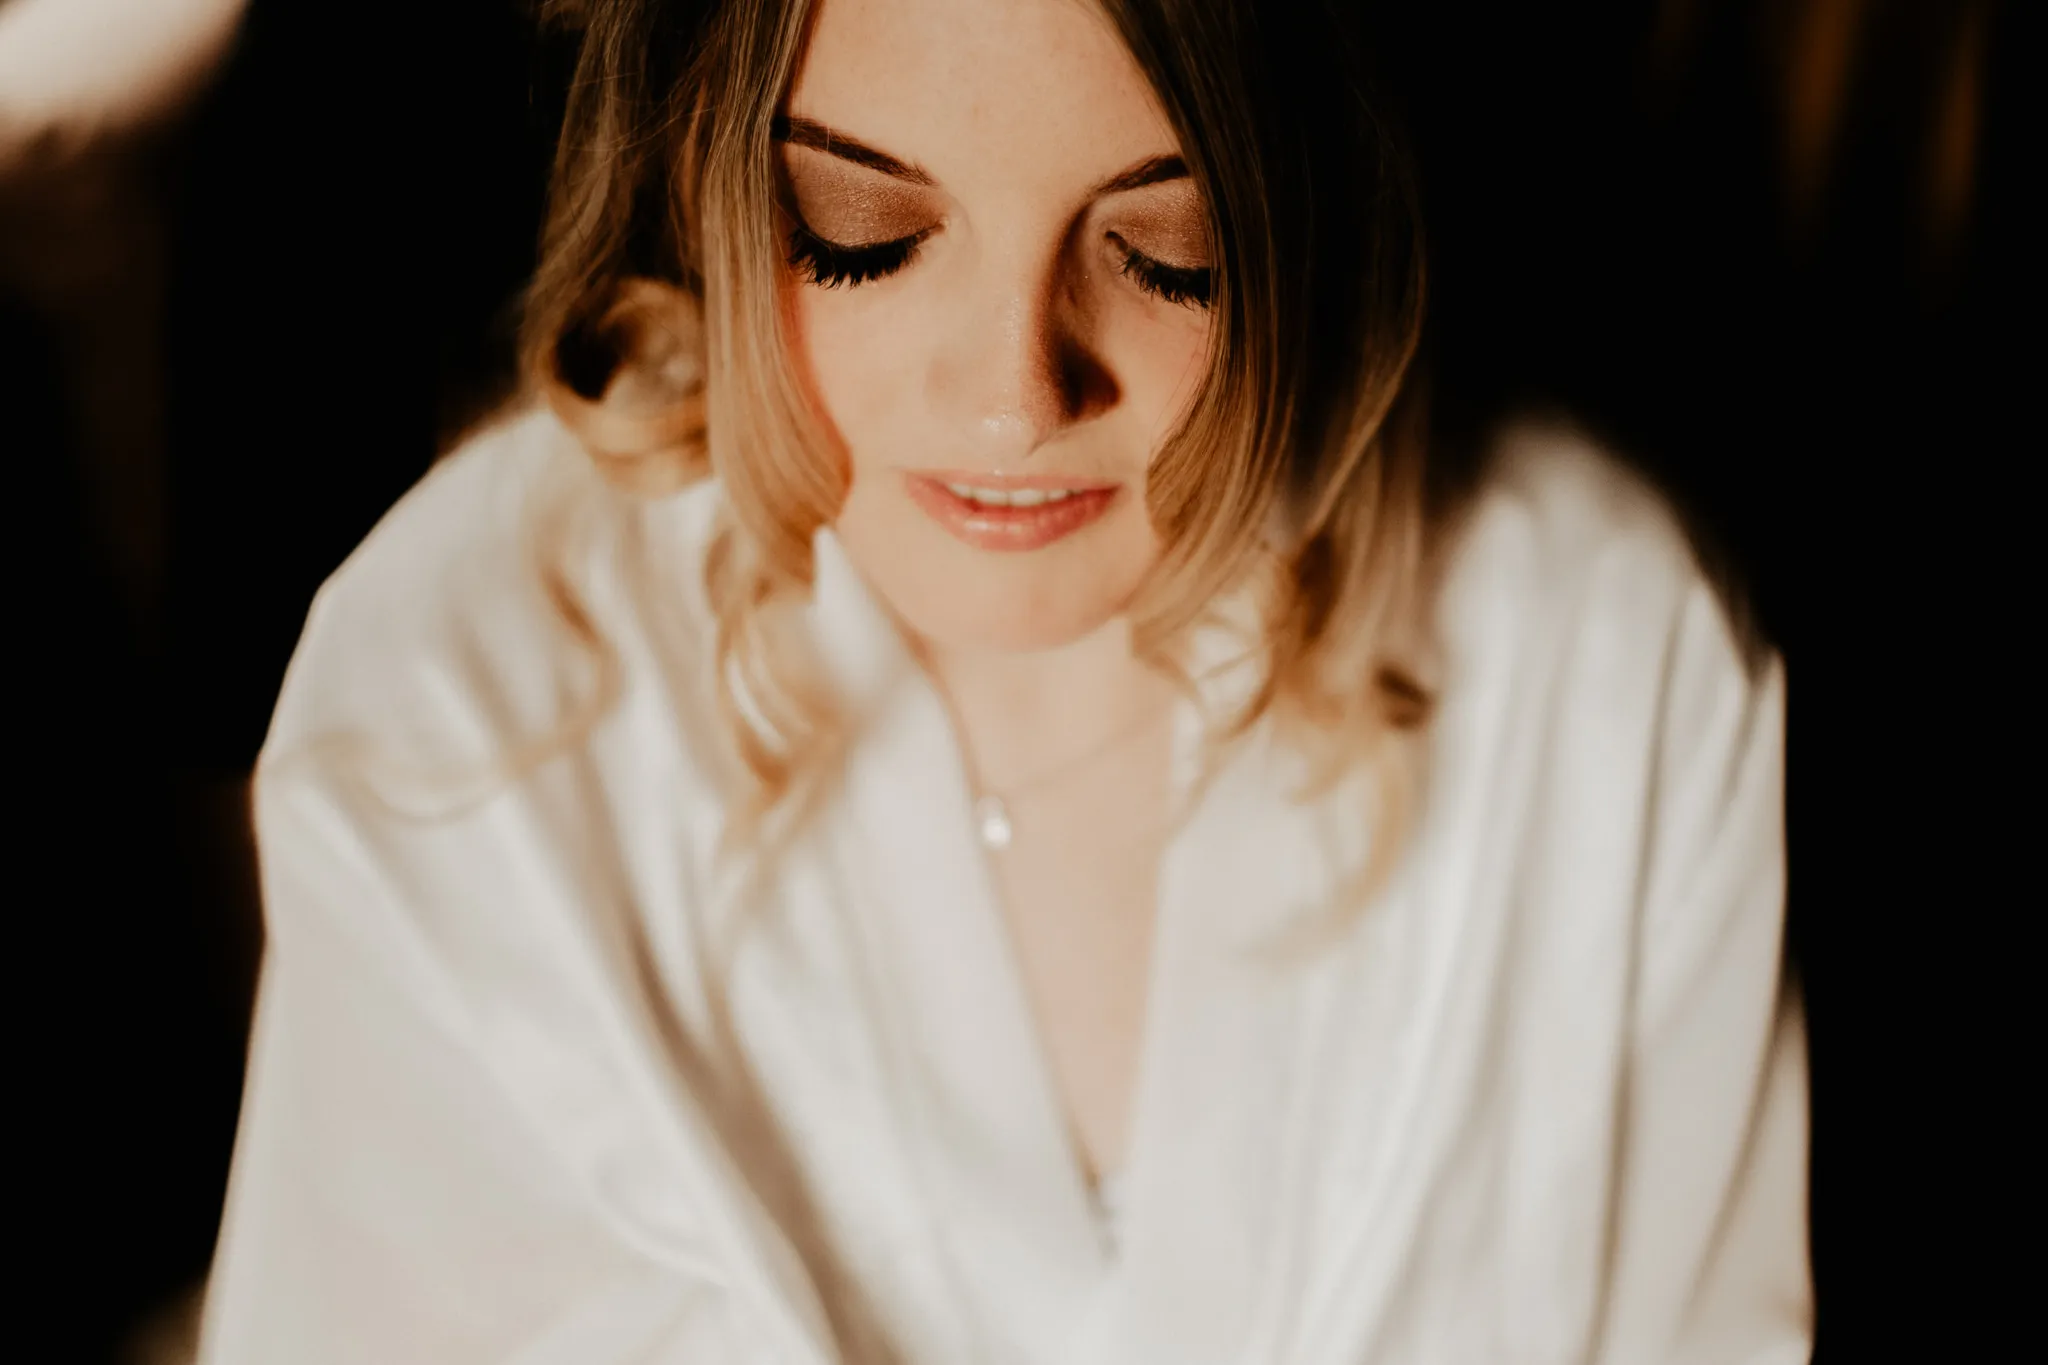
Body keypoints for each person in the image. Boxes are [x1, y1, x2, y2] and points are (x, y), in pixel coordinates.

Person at [197, 0, 1811, 1361]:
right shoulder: (464, 715)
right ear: (699, 159)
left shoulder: (1604, 677)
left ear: (1324, 196)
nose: (1016, 397)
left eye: (1169, 251)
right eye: (863, 236)